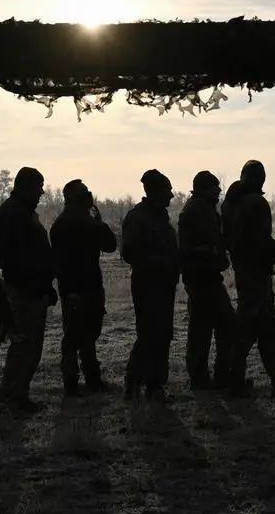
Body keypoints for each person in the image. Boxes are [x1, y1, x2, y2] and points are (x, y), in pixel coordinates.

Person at [222, 160, 275, 399]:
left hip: (243, 272)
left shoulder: (230, 204)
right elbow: (262, 244)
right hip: (256, 274)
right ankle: (237, 381)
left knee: (263, 328)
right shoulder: (256, 203)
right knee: (251, 329)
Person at [0, 166, 57, 413]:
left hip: (32, 288)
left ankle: (17, 394)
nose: (42, 192)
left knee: (29, 346)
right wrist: (36, 285)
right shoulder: (14, 214)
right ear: (26, 187)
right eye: (38, 186)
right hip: (24, 291)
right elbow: (16, 259)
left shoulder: (22, 212)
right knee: (24, 346)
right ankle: (12, 397)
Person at [49, 178, 117, 396]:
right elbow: (110, 245)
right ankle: (82, 381)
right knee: (78, 337)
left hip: (77, 289)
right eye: (84, 192)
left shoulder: (62, 223)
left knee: (82, 336)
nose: (88, 194)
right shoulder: (79, 222)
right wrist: (99, 221)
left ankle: (81, 381)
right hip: (82, 289)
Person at [119, 169, 180, 401]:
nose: (172, 195)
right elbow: (129, 253)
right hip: (148, 285)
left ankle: (155, 386)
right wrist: (163, 262)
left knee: (162, 334)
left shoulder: (158, 216)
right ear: (155, 192)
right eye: (168, 190)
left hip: (163, 285)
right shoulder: (138, 217)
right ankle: (134, 382)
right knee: (148, 334)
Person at [177, 170, 234, 390]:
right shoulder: (197, 211)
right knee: (209, 329)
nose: (219, 190)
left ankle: (209, 377)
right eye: (214, 186)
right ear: (204, 188)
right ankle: (206, 378)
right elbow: (189, 249)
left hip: (204, 278)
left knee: (212, 328)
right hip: (202, 279)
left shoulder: (202, 209)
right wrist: (213, 254)